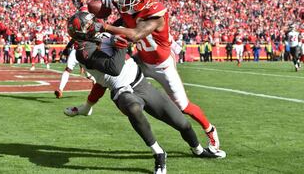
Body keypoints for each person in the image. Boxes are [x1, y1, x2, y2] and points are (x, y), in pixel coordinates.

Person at [64, 12, 225, 174]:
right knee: (133, 108)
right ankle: (159, 153)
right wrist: (121, 46)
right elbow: (114, 68)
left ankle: (198, 150)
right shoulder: (83, 50)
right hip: (122, 90)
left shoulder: (99, 33)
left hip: (140, 82)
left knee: (182, 124)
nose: (94, 24)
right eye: (88, 24)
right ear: (81, 32)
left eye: (92, 21)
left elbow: (126, 21)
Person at [94, 0, 223, 154]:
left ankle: (210, 129)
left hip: (162, 65)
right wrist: (103, 1)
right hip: (141, 59)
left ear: (142, 1)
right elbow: (106, 8)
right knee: (112, 76)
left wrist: (105, 26)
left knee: (183, 107)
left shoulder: (156, 14)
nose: (124, 2)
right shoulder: (131, 5)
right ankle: (89, 106)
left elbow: (135, 34)